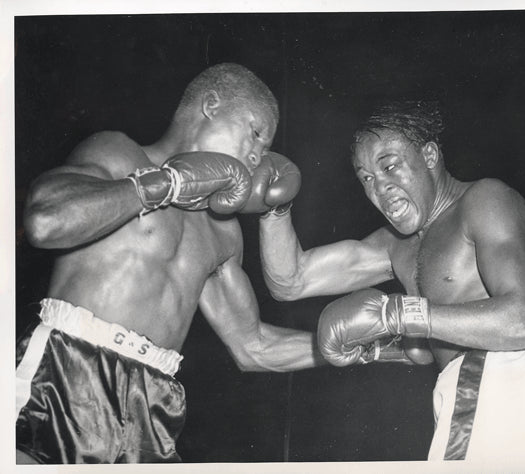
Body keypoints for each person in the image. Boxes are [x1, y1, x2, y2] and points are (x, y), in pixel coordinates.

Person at [16, 62, 323, 464]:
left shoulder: (223, 232)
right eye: (255, 133)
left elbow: (254, 346)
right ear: (211, 105)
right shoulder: (119, 153)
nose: (256, 156)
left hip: (154, 400)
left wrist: (363, 347)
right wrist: (162, 186)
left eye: (264, 150)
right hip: (67, 371)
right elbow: (45, 220)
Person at [259, 101, 525, 468]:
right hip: (470, 394)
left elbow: (522, 321)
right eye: (366, 178)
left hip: (504, 385)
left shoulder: (483, 200)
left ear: (429, 155)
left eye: (390, 166)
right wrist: (274, 207)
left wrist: (396, 314)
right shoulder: (396, 245)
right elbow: (290, 281)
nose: (380, 188)